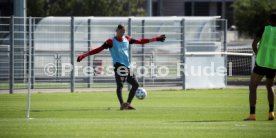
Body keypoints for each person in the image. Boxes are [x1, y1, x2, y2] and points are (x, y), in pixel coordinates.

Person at [77, 24, 166, 110]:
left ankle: (127, 104)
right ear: (117, 31)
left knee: (136, 85)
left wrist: (156, 39)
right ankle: (122, 104)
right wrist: (84, 55)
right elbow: (98, 49)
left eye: (124, 32)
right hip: (118, 65)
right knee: (120, 85)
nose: (122, 33)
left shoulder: (127, 39)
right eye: (121, 31)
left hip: (127, 66)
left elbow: (141, 41)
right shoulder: (110, 41)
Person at [244, 12, 276, 121]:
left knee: (252, 87)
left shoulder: (264, 29)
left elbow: (254, 44)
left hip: (261, 63)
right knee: (270, 87)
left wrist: (258, 54)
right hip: (273, 64)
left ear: (269, 20)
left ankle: (252, 115)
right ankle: (271, 113)